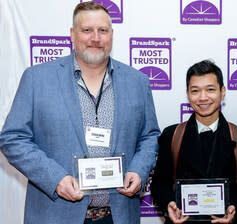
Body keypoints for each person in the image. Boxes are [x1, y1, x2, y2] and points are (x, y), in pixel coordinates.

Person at [0, 2, 160, 224]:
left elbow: (149, 136)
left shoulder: (138, 82)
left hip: (118, 215)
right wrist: (55, 178)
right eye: (87, 30)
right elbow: (12, 138)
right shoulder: (37, 79)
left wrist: (139, 170)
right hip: (55, 215)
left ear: (111, 35)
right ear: (72, 35)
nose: (95, 38)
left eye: (102, 31)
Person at [150, 60, 237, 224]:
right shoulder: (171, 136)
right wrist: (169, 204)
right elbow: (159, 184)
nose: (203, 97)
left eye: (210, 90)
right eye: (195, 91)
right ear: (187, 94)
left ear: (222, 92)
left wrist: (235, 208)